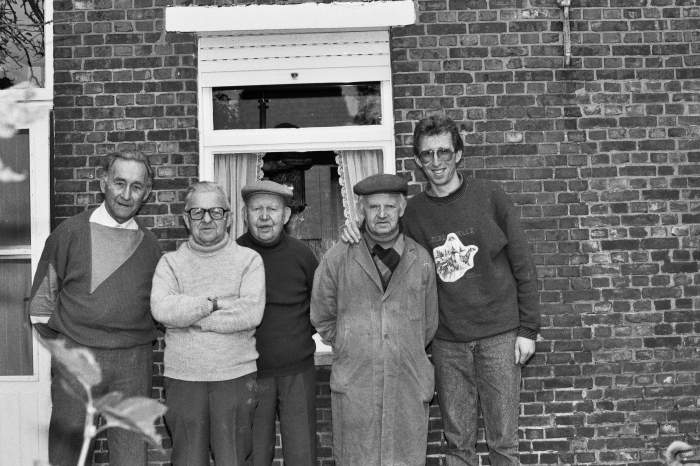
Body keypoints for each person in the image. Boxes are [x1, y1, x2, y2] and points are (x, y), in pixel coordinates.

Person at [342, 116, 541, 466]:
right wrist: (356, 230)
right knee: (458, 443)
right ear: (418, 160)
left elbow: (523, 264)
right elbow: (385, 250)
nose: (436, 162)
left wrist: (528, 329)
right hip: (448, 342)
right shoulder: (413, 212)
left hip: (500, 336)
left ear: (458, 154)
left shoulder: (491, 196)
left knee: (503, 442)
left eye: (444, 152)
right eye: (427, 154)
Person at [28, 151, 162, 466]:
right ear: (103, 182)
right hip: (78, 361)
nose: (126, 194)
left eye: (137, 187)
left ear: (146, 193)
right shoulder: (68, 234)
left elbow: (160, 308)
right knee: (69, 457)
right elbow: (40, 305)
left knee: (131, 457)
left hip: (133, 363)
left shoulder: (152, 246)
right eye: (119, 183)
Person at [311, 173, 438, 466]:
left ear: (402, 208)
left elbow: (428, 324)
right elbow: (322, 315)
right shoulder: (337, 259)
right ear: (361, 211)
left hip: (406, 383)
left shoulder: (421, 260)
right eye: (373, 207)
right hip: (356, 385)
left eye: (390, 207)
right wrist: (349, 340)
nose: (382, 215)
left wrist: (396, 342)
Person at [150, 181, 265, 466]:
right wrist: (214, 303)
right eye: (198, 212)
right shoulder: (170, 263)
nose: (207, 220)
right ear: (186, 219)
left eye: (215, 211)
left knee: (234, 461)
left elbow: (250, 314)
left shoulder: (249, 260)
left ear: (229, 217)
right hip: (184, 379)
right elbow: (162, 309)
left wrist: (191, 320)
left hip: (235, 377)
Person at [236, 180, 319, 466]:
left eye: (272, 209)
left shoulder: (302, 255)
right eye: (256, 208)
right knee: (255, 456)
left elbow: (317, 308)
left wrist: (293, 338)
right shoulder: (233, 256)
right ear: (245, 214)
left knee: (302, 455)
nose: (264, 216)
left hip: (298, 371)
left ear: (285, 216)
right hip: (249, 373)